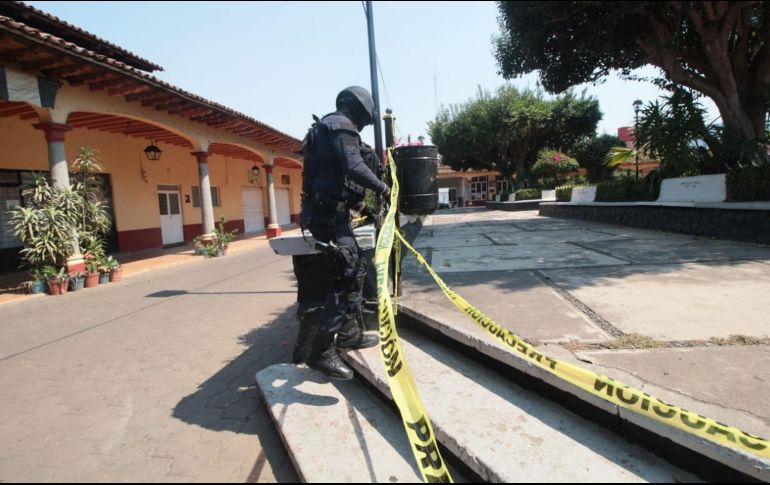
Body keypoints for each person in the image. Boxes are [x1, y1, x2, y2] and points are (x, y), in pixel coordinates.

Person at [300, 86, 390, 380]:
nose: (363, 125)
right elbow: (353, 166)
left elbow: (332, 178)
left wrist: (361, 205)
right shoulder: (340, 124)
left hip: (329, 213)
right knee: (344, 272)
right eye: (365, 119)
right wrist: (384, 189)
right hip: (327, 217)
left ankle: (349, 333)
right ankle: (321, 350)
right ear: (357, 110)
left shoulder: (326, 127)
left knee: (356, 269)